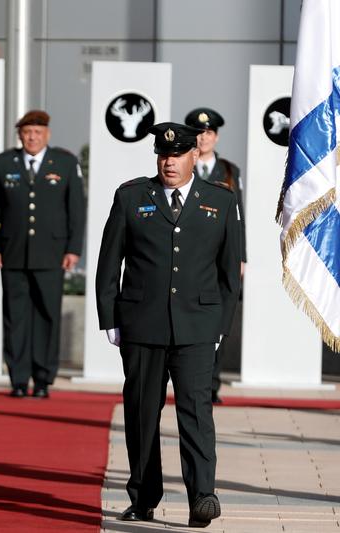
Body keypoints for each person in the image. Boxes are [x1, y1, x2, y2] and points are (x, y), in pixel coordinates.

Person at [95, 122, 241, 528]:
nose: (168, 162)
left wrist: (221, 327)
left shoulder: (221, 201)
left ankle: (202, 496)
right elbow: (110, 263)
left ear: (195, 155)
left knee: (196, 412)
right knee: (142, 414)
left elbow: (230, 274)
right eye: (163, 155)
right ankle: (143, 497)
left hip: (197, 327)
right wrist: (110, 318)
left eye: (176, 155)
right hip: (142, 325)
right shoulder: (131, 197)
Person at [0, 110, 85, 399]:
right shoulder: (3, 163)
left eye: (38, 133)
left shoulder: (65, 163)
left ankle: (42, 378)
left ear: (47, 134)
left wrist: (73, 249)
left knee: (46, 316)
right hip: (12, 252)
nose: (32, 137)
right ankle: (18, 378)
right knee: (15, 317)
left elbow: (75, 209)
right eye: (27, 132)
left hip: (52, 254)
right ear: (20, 135)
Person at [185, 107, 246, 404]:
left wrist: (241, 255)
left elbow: (238, 216)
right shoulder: (183, 166)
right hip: (194, 254)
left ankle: (212, 385)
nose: (203, 137)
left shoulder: (230, 171)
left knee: (219, 318)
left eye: (208, 132)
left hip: (223, 253)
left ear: (216, 136)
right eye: (198, 132)